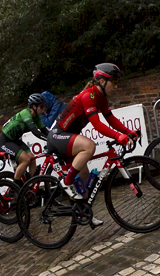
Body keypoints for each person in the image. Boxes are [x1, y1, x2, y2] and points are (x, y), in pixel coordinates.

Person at [50, 64, 138, 199]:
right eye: (114, 82)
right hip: (58, 135)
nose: (116, 87)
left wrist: (127, 132)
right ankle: (66, 182)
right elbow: (96, 124)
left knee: (84, 174)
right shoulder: (88, 96)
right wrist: (117, 136)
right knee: (89, 146)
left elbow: (111, 119)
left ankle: (83, 215)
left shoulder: (101, 97)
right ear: (102, 81)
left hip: (68, 136)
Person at [0, 94, 50, 182]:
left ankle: (30, 185)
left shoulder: (36, 117)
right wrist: (49, 140)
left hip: (16, 141)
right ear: (34, 106)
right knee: (26, 160)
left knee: (32, 160)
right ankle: (15, 187)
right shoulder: (26, 114)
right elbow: (35, 132)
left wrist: (53, 138)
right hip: (5, 141)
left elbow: (44, 131)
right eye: (41, 106)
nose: (43, 109)